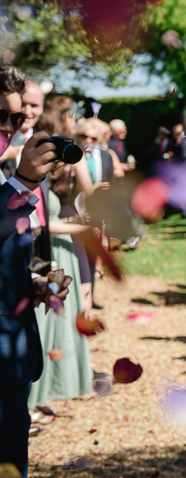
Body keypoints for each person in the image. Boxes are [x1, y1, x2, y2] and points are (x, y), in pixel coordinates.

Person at [0, 64, 71, 477]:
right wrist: (23, 181)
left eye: (19, 116)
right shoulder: (15, 176)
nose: (14, 125)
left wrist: (32, 281)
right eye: (5, 116)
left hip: (13, 357)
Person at [27, 111, 96, 415]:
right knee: (46, 317)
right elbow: (41, 223)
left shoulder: (52, 173)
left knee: (61, 316)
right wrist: (80, 227)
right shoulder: (32, 174)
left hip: (60, 252)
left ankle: (48, 390)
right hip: (45, 255)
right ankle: (32, 396)